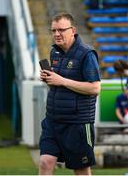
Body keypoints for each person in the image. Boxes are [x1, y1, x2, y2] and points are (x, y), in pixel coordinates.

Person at [39, 12, 101, 175]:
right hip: (53, 120)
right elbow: (58, 84)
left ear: (72, 30)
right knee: (45, 162)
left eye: (61, 30)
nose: (56, 34)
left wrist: (62, 81)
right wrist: (49, 79)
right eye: (53, 31)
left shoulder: (87, 54)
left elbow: (95, 88)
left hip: (77, 124)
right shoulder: (55, 52)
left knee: (80, 170)